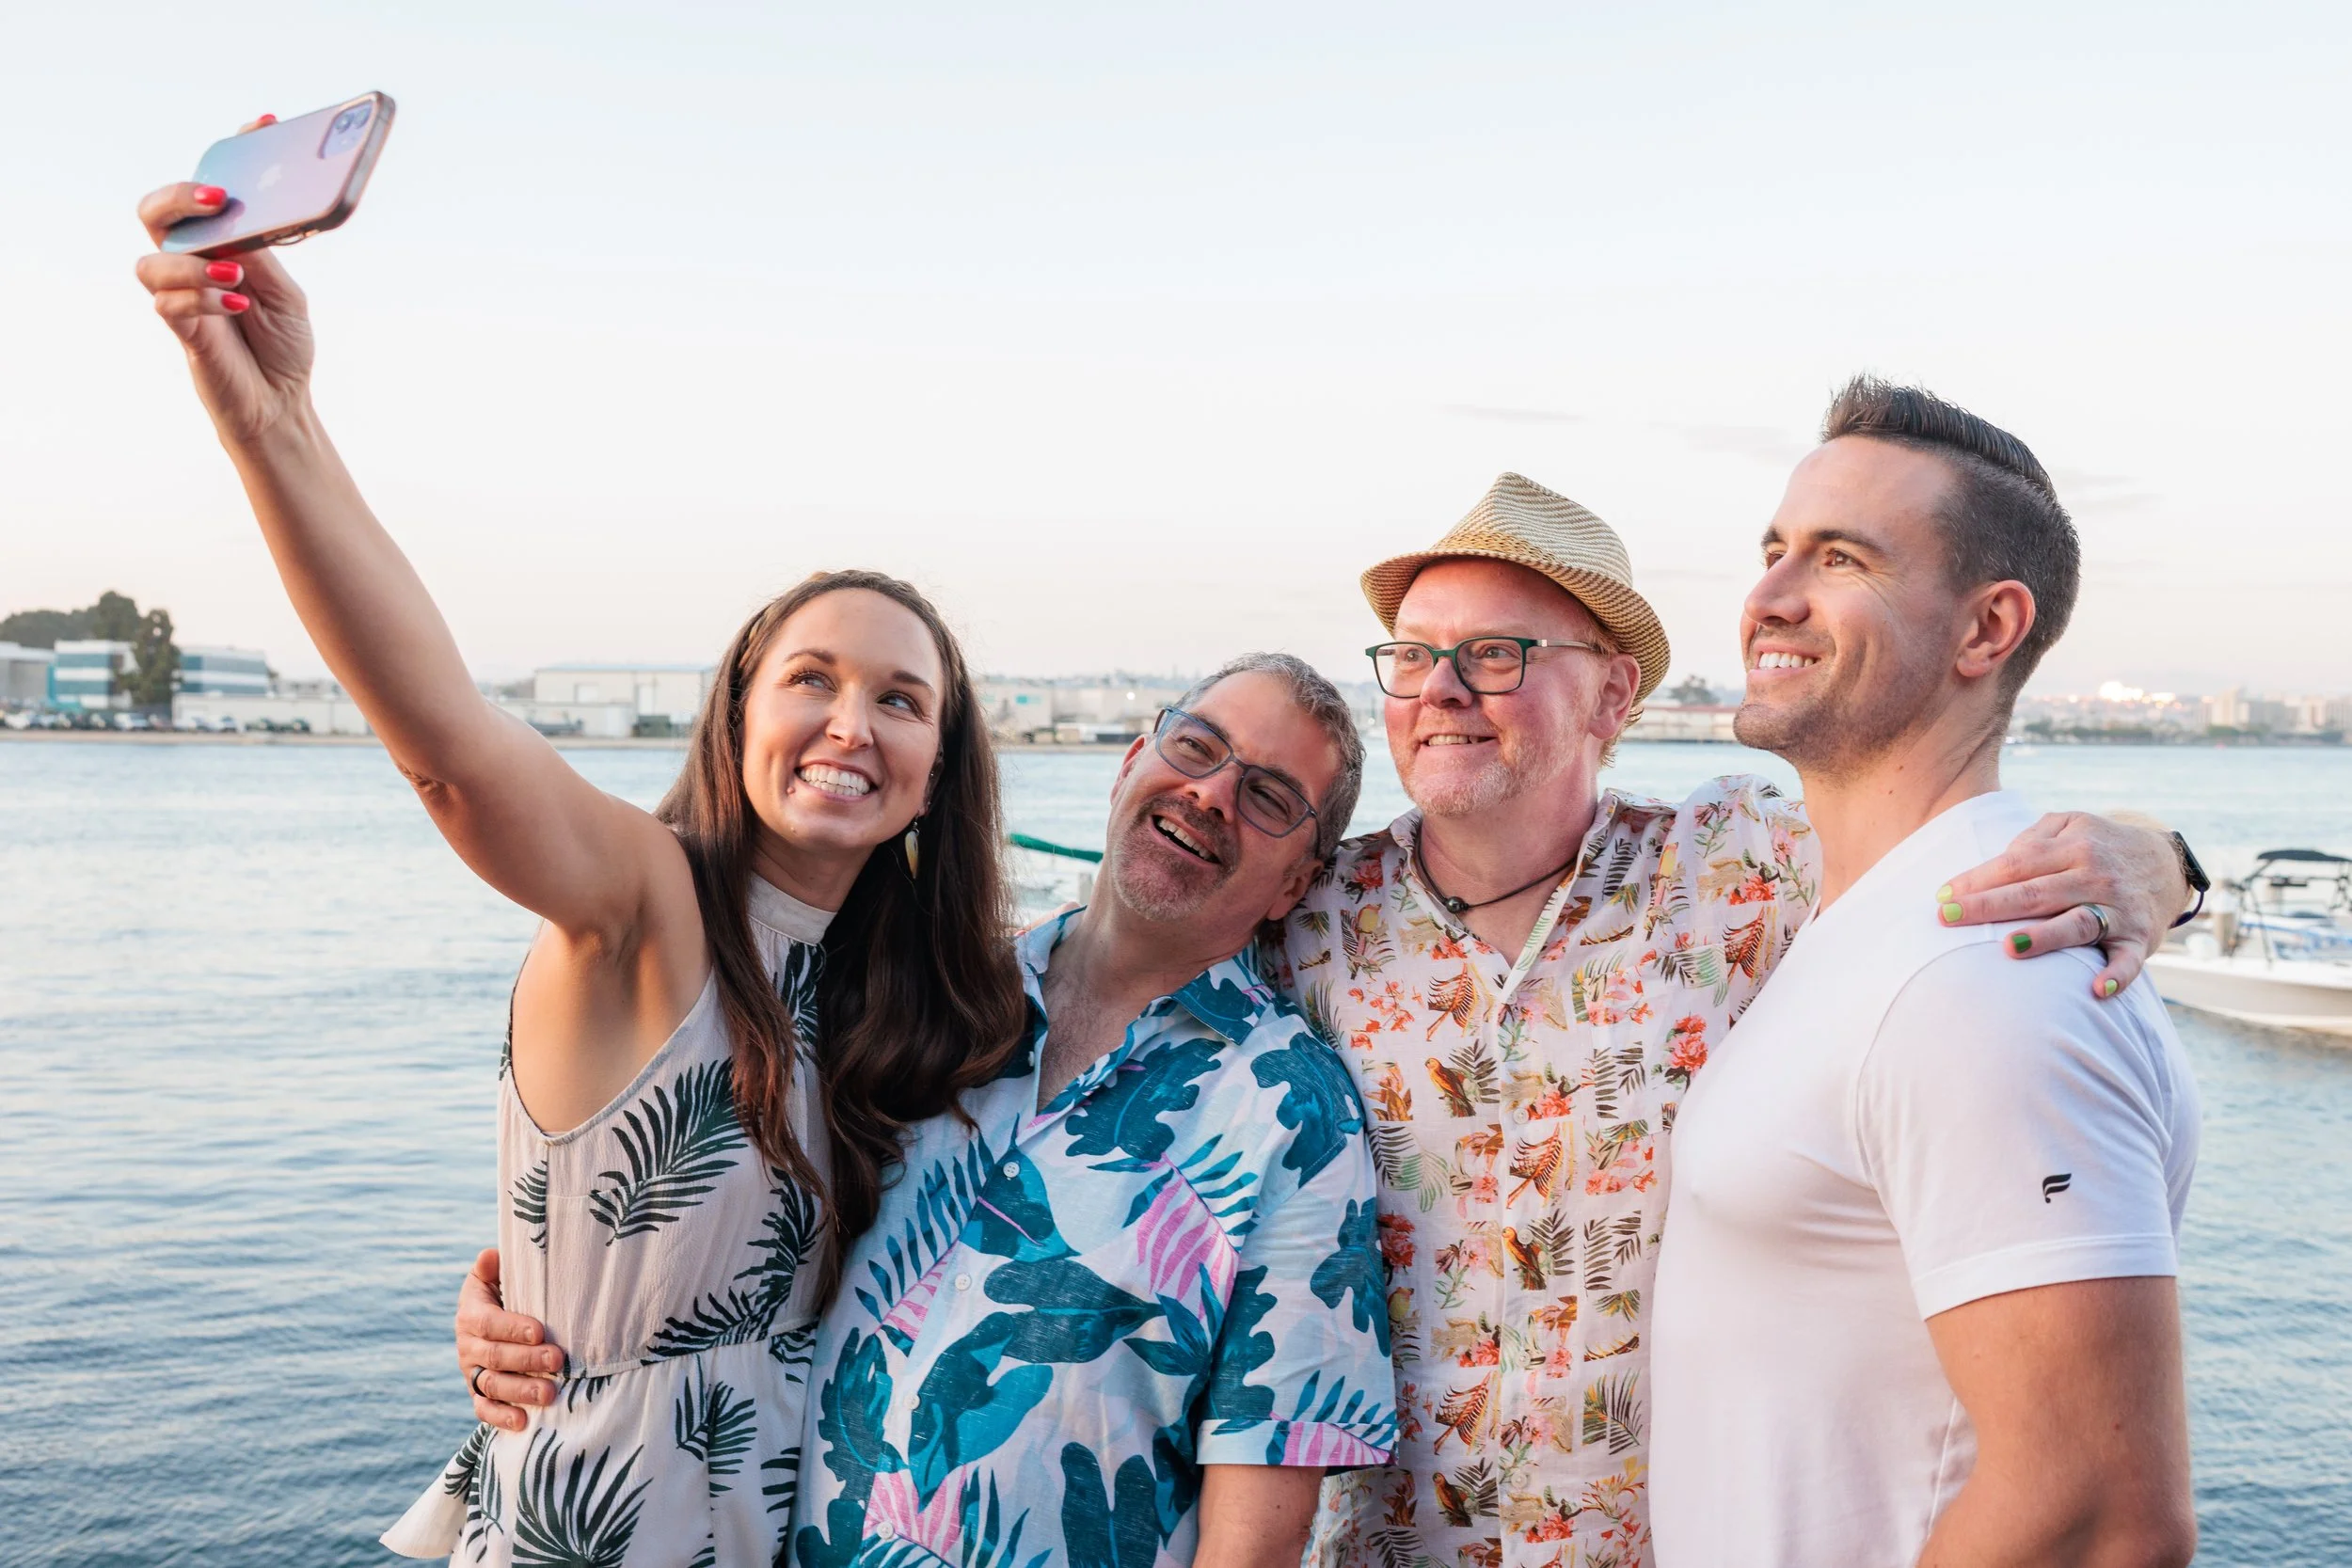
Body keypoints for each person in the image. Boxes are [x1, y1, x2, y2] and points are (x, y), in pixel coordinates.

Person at [134, 164, 1027, 1568]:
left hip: (801, 1510)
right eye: (812, 678)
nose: (853, 722)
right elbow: (448, 745)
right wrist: (272, 417)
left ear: (939, 765)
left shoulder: (908, 982)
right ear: (737, 711)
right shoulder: (646, 900)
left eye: (902, 699)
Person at [1269, 473, 2195, 1568]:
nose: (1441, 689)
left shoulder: (1738, 866)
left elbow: (1973, 850)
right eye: (1414, 654)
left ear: (1614, 696)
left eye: (1496, 653)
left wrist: (2162, 861)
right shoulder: (1309, 917)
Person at [478, 657, 1400, 1565]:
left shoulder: (1294, 1115)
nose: (1210, 793)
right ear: (1131, 761)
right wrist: (526, 1302)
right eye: (1195, 746)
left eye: (1269, 795)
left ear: (1293, 883)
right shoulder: (920, 992)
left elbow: (1260, 1527)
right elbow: (700, 1207)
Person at [1647, 379, 2201, 1567]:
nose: (1770, 597)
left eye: (1840, 557)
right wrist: (2173, 859)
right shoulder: (1854, 921)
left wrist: (2163, 862)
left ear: (1986, 629)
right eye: (1774, 548)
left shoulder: (1993, 969)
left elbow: (2105, 1516)